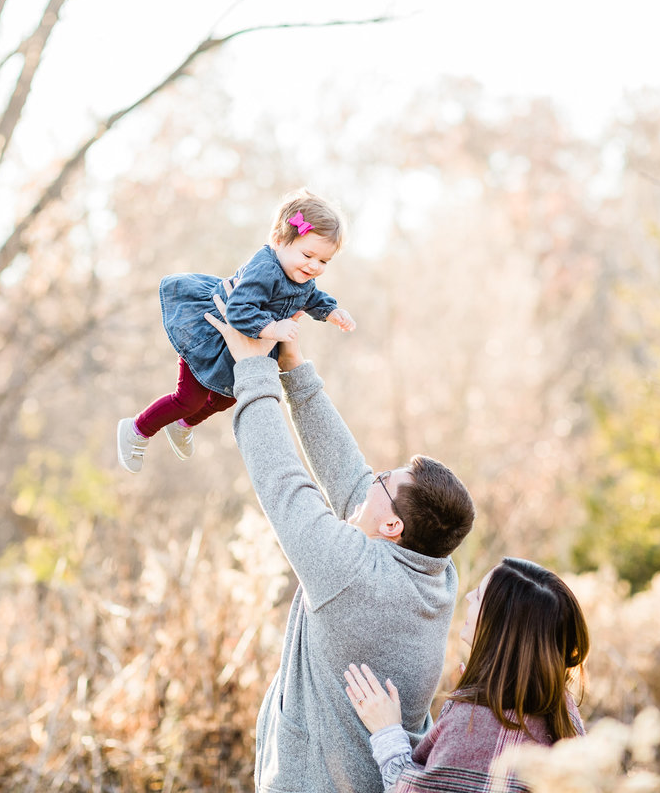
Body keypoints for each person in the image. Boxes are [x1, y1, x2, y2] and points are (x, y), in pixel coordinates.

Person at [202, 295, 476, 793]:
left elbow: (283, 482)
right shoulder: (437, 571)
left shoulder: (353, 576)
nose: (373, 477)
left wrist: (251, 370)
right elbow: (351, 478)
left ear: (393, 526)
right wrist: (292, 366)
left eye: (385, 481)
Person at [117, 188, 356, 473]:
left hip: (236, 350)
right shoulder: (265, 269)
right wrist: (272, 327)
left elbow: (312, 296)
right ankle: (136, 430)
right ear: (279, 240)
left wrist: (331, 311)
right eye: (309, 255)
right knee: (188, 399)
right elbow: (238, 310)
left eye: (324, 261)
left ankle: (183, 425)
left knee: (227, 397)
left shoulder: (299, 274)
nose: (314, 266)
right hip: (210, 336)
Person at [343, 558, 590, 793]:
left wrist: (387, 733)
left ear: (498, 627)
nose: (469, 597)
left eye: (479, 595)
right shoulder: (561, 707)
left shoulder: (476, 721)